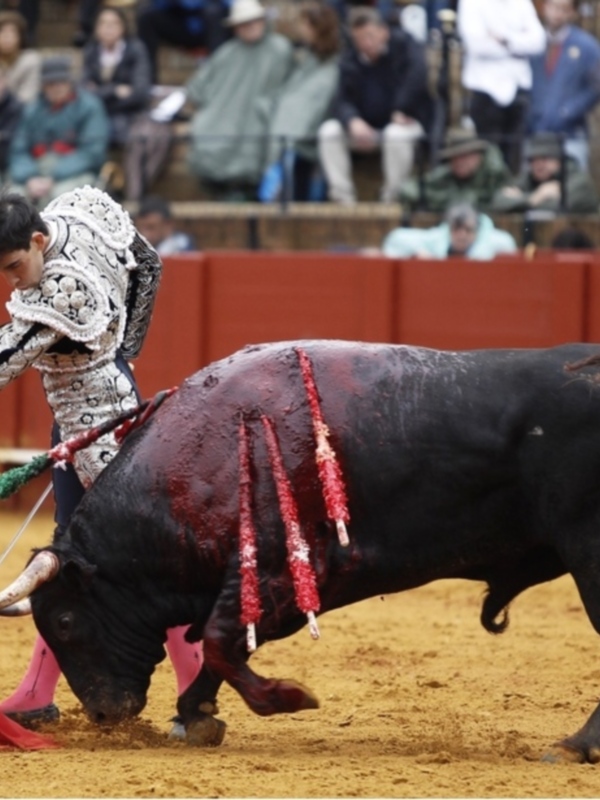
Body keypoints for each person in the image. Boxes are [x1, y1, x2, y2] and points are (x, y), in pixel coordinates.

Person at [0, 186, 201, 732]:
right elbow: (149, 266)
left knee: (136, 563)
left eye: (16, 266)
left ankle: (196, 698)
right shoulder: (81, 210)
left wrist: (110, 352)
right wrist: (123, 350)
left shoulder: (60, 293)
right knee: (79, 558)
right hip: (99, 412)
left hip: (97, 435)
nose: (14, 282)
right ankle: (37, 692)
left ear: (38, 239)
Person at [317, 6, 433, 204]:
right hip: (366, 133)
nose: (365, 43)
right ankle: (342, 199)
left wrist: (401, 108)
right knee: (329, 131)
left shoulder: (405, 46)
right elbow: (341, 99)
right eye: (359, 39)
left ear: (383, 32)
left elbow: (417, 77)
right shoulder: (349, 59)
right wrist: (352, 120)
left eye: (370, 36)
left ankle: (393, 199)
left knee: (395, 134)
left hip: (405, 123)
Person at [185, 0, 294, 200]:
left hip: (260, 121)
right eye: (244, 23)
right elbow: (198, 87)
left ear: (263, 21)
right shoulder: (226, 53)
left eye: (254, 21)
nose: (250, 27)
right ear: (235, 27)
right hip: (222, 120)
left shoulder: (280, 49)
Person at [81, 5, 172, 202]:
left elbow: (140, 92)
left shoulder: (135, 49)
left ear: (123, 27)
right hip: (98, 117)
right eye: (103, 23)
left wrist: (102, 94)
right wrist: (115, 90)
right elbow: (84, 92)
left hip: (131, 116)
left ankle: (133, 195)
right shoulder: (91, 52)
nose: (108, 28)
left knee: (148, 138)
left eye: (114, 23)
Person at [259, 0, 341, 202]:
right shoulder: (306, 57)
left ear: (317, 27)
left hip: (310, 141)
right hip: (292, 144)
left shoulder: (334, 64)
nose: (300, 29)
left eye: (305, 24)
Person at [8, 54, 110, 209]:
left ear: (70, 82)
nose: (56, 87)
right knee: (13, 201)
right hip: (35, 171)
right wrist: (29, 177)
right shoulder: (32, 109)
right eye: (50, 83)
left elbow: (92, 152)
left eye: (61, 82)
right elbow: (18, 149)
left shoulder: (89, 107)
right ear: (43, 85)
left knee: (60, 199)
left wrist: (53, 175)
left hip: (74, 172)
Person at [457, 0, 545, 172]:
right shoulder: (470, 3)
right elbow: (477, 45)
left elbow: (538, 42)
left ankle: (511, 197)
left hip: (518, 87)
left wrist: (504, 39)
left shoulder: (522, 3)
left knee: (515, 157)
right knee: (488, 156)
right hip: (484, 88)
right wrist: (518, 44)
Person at [528, 0, 600, 168]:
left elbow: (596, 85)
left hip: (570, 135)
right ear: (544, 8)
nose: (557, 14)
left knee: (571, 186)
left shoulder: (586, 46)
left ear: (572, 12)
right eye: (553, 7)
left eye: (564, 9)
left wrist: (569, 110)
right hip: (534, 134)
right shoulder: (532, 41)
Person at [399, 128, 511, 213]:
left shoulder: (494, 175)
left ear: (477, 156)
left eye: (463, 157)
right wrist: (438, 198)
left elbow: (510, 196)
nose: (458, 162)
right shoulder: (446, 174)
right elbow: (409, 190)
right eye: (454, 158)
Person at [492, 131, 599, 213]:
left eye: (544, 159)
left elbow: (561, 206)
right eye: (533, 160)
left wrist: (520, 199)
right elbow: (498, 201)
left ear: (559, 160)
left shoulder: (579, 181)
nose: (538, 165)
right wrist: (532, 198)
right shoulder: (529, 178)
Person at [137, 0, 233, 85]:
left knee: (214, 12)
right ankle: (147, 82)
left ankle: (218, 79)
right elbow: (159, 5)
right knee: (146, 17)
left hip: (211, 29)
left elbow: (231, 4)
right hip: (184, 27)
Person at [380, 202, 517, 259]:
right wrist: (419, 252)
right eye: (456, 229)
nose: (461, 235)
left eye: (468, 230)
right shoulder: (439, 238)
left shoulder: (491, 241)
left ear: (477, 231)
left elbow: (508, 245)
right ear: (449, 229)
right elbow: (396, 237)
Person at [0, 9, 40, 103]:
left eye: (12, 32)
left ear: (20, 36)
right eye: (2, 32)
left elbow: (28, 96)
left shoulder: (30, 60)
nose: (7, 37)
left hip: (20, 112)